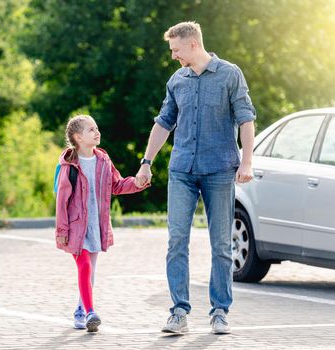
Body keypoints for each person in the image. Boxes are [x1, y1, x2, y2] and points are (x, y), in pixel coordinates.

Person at [136, 21, 256, 334]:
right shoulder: (177, 80)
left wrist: (247, 162)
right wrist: (146, 162)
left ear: (191, 44)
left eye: (175, 50)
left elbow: (246, 119)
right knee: (177, 240)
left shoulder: (230, 74)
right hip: (182, 171)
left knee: (220, 244)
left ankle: (219, 312)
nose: (173, 56)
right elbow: (163, 123)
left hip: (219, 170)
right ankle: (178, 312)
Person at [55, 114, 148, 332]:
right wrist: (62, 229)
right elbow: (61, 199)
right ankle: (90, 313)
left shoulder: (103, 160)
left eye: (97, 128)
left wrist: (137, 183)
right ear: (78, 137)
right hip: (76, 226)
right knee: (85, 266)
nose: (97, 132)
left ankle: (80, 309)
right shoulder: (70, 165)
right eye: (91, 130)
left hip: (97, 225)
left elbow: (116, 185)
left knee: (91, 271)